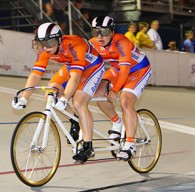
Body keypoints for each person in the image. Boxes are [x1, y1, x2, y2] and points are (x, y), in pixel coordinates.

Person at [12, 22, 105, 163]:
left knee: (79, 103)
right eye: (42, 43)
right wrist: (24, 98)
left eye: (50, 42)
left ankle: (88, 146)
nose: (46, 47)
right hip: (72, 66)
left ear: (60, 39)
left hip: (92, 67)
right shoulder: (44, 49)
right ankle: (75, 121)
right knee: (50, 94)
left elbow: (76, 77)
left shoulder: (74, 44)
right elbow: (36, 75)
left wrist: (65, 98)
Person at [89, 16, 152, 161]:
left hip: (138, 69)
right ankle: (117, 122)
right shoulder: (93, 44)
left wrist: (115, 89)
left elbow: (125, 71)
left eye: (104, 32)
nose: (99, 36)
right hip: (117, 69)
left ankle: (130, 143)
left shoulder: (121, 42)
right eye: (95, 32)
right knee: (97, 92)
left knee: (125, 101)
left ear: (112, 32)